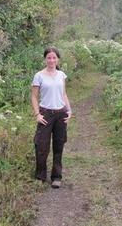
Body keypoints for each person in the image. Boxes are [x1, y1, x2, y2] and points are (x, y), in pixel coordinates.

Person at [31, 47, 72, 188]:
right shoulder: (39, 76)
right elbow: (34, 97)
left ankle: (56, 176)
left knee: (59, 145)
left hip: (61, 113)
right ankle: (40, 176)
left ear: (58, 59)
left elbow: (63, 94)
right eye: (49, 57)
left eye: (54, 57)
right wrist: (37, 114)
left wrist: (69, 110)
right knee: (41, 145)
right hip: (46, 113)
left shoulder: (61, 75)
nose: (51, 60)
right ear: (45, 59)